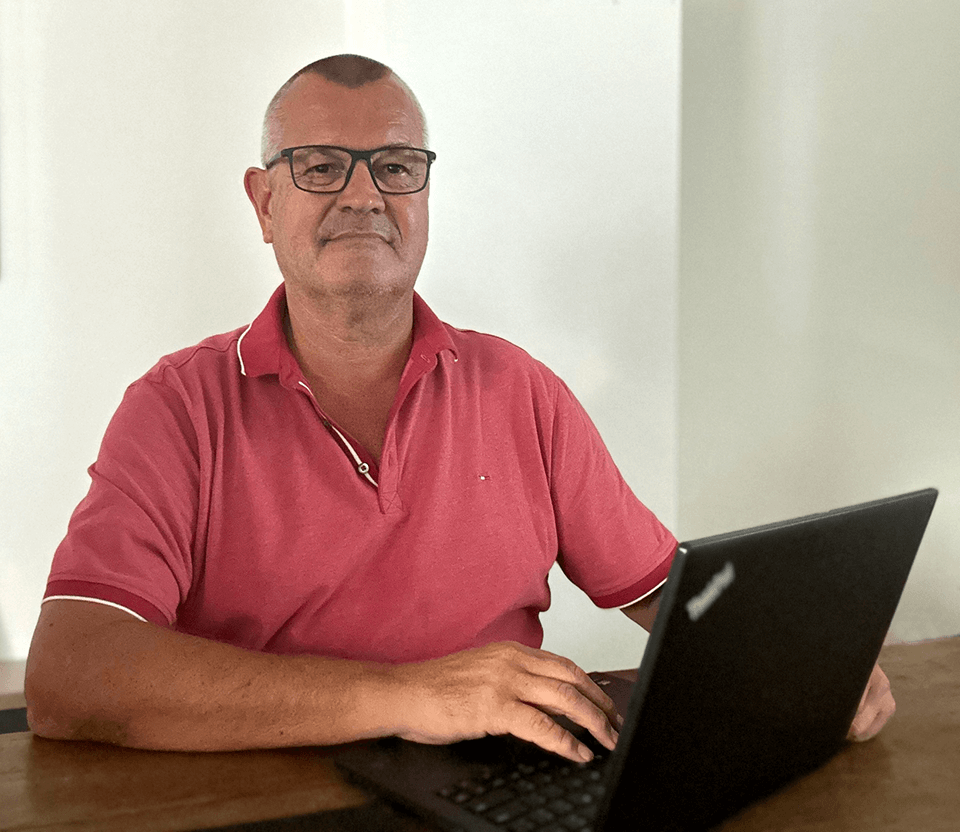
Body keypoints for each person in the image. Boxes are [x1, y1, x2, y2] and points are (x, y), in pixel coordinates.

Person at [24, 55, 894, 763]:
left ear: (424, 196)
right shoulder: (177, 409)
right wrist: (409, 696)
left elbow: (673, 596)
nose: (363, 195)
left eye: (395, 167)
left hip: (505, 788)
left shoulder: (522, 391)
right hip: (266, 800)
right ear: (263, 201)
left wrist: (805, 660)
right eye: (321, 166)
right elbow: (71, 674)